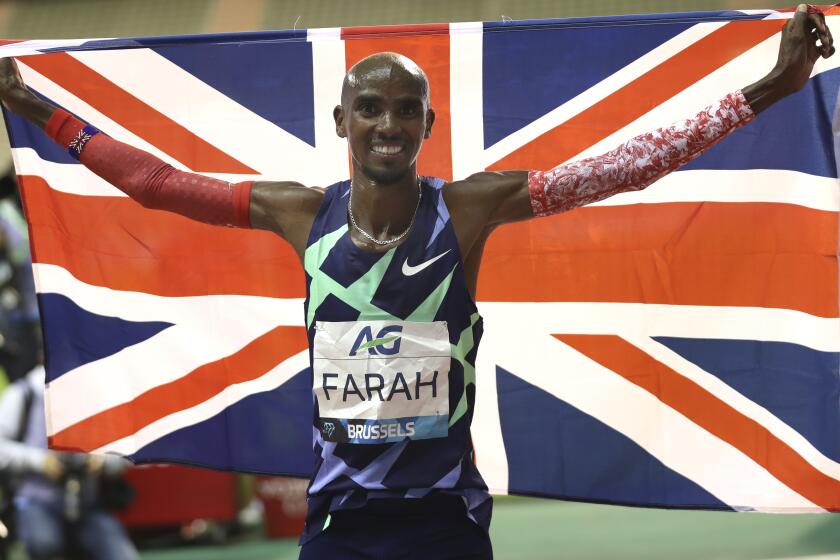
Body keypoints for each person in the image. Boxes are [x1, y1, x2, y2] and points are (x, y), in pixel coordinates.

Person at [0, 5, 831, 558]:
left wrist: (766, 89)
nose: (388, 123)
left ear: (428, 124)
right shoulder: (300, 215)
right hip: (339, 526)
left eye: (405, 109)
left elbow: (619, 170)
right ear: (340, 122)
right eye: (370, 107)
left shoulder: (468, 211)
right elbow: (156, 185)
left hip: (444, 527)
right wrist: (39, 112)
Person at [0, 364, 139, 560]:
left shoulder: (97, 395)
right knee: (44, 545)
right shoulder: (25, 393)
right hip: (36, 501)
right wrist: (39, 462)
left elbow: (127, 452)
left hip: (88, 506)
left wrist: (102, 461)